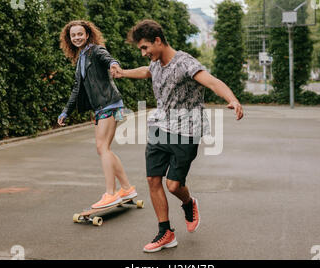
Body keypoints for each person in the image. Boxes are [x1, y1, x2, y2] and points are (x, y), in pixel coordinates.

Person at [112, 19, 244, 253]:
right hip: (160, 126)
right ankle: (166, 232)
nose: (143, 53)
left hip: (186, 131)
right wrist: (122, 73)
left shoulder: (185, 62)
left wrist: (232, 99)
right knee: (153, 180)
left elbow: (212, 82)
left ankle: (188, 203)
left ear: (158, 41)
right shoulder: (155, 62)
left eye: (145, 47)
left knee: (173, 186)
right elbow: (147, 72)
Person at [58, 20, 137, 209]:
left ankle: (111, 193)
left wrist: (114, 64)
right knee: (105, 148)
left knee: (102, 148)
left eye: (80, 34)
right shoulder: (81, 58)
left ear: (87, 34)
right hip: (104, 106)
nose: (77, 38)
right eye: (73, 35)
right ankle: (126, 188)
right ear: (69, 39)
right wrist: (66, 111)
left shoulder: (95, 50)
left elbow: (108, 58)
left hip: (108, 103)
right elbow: (78, 88)